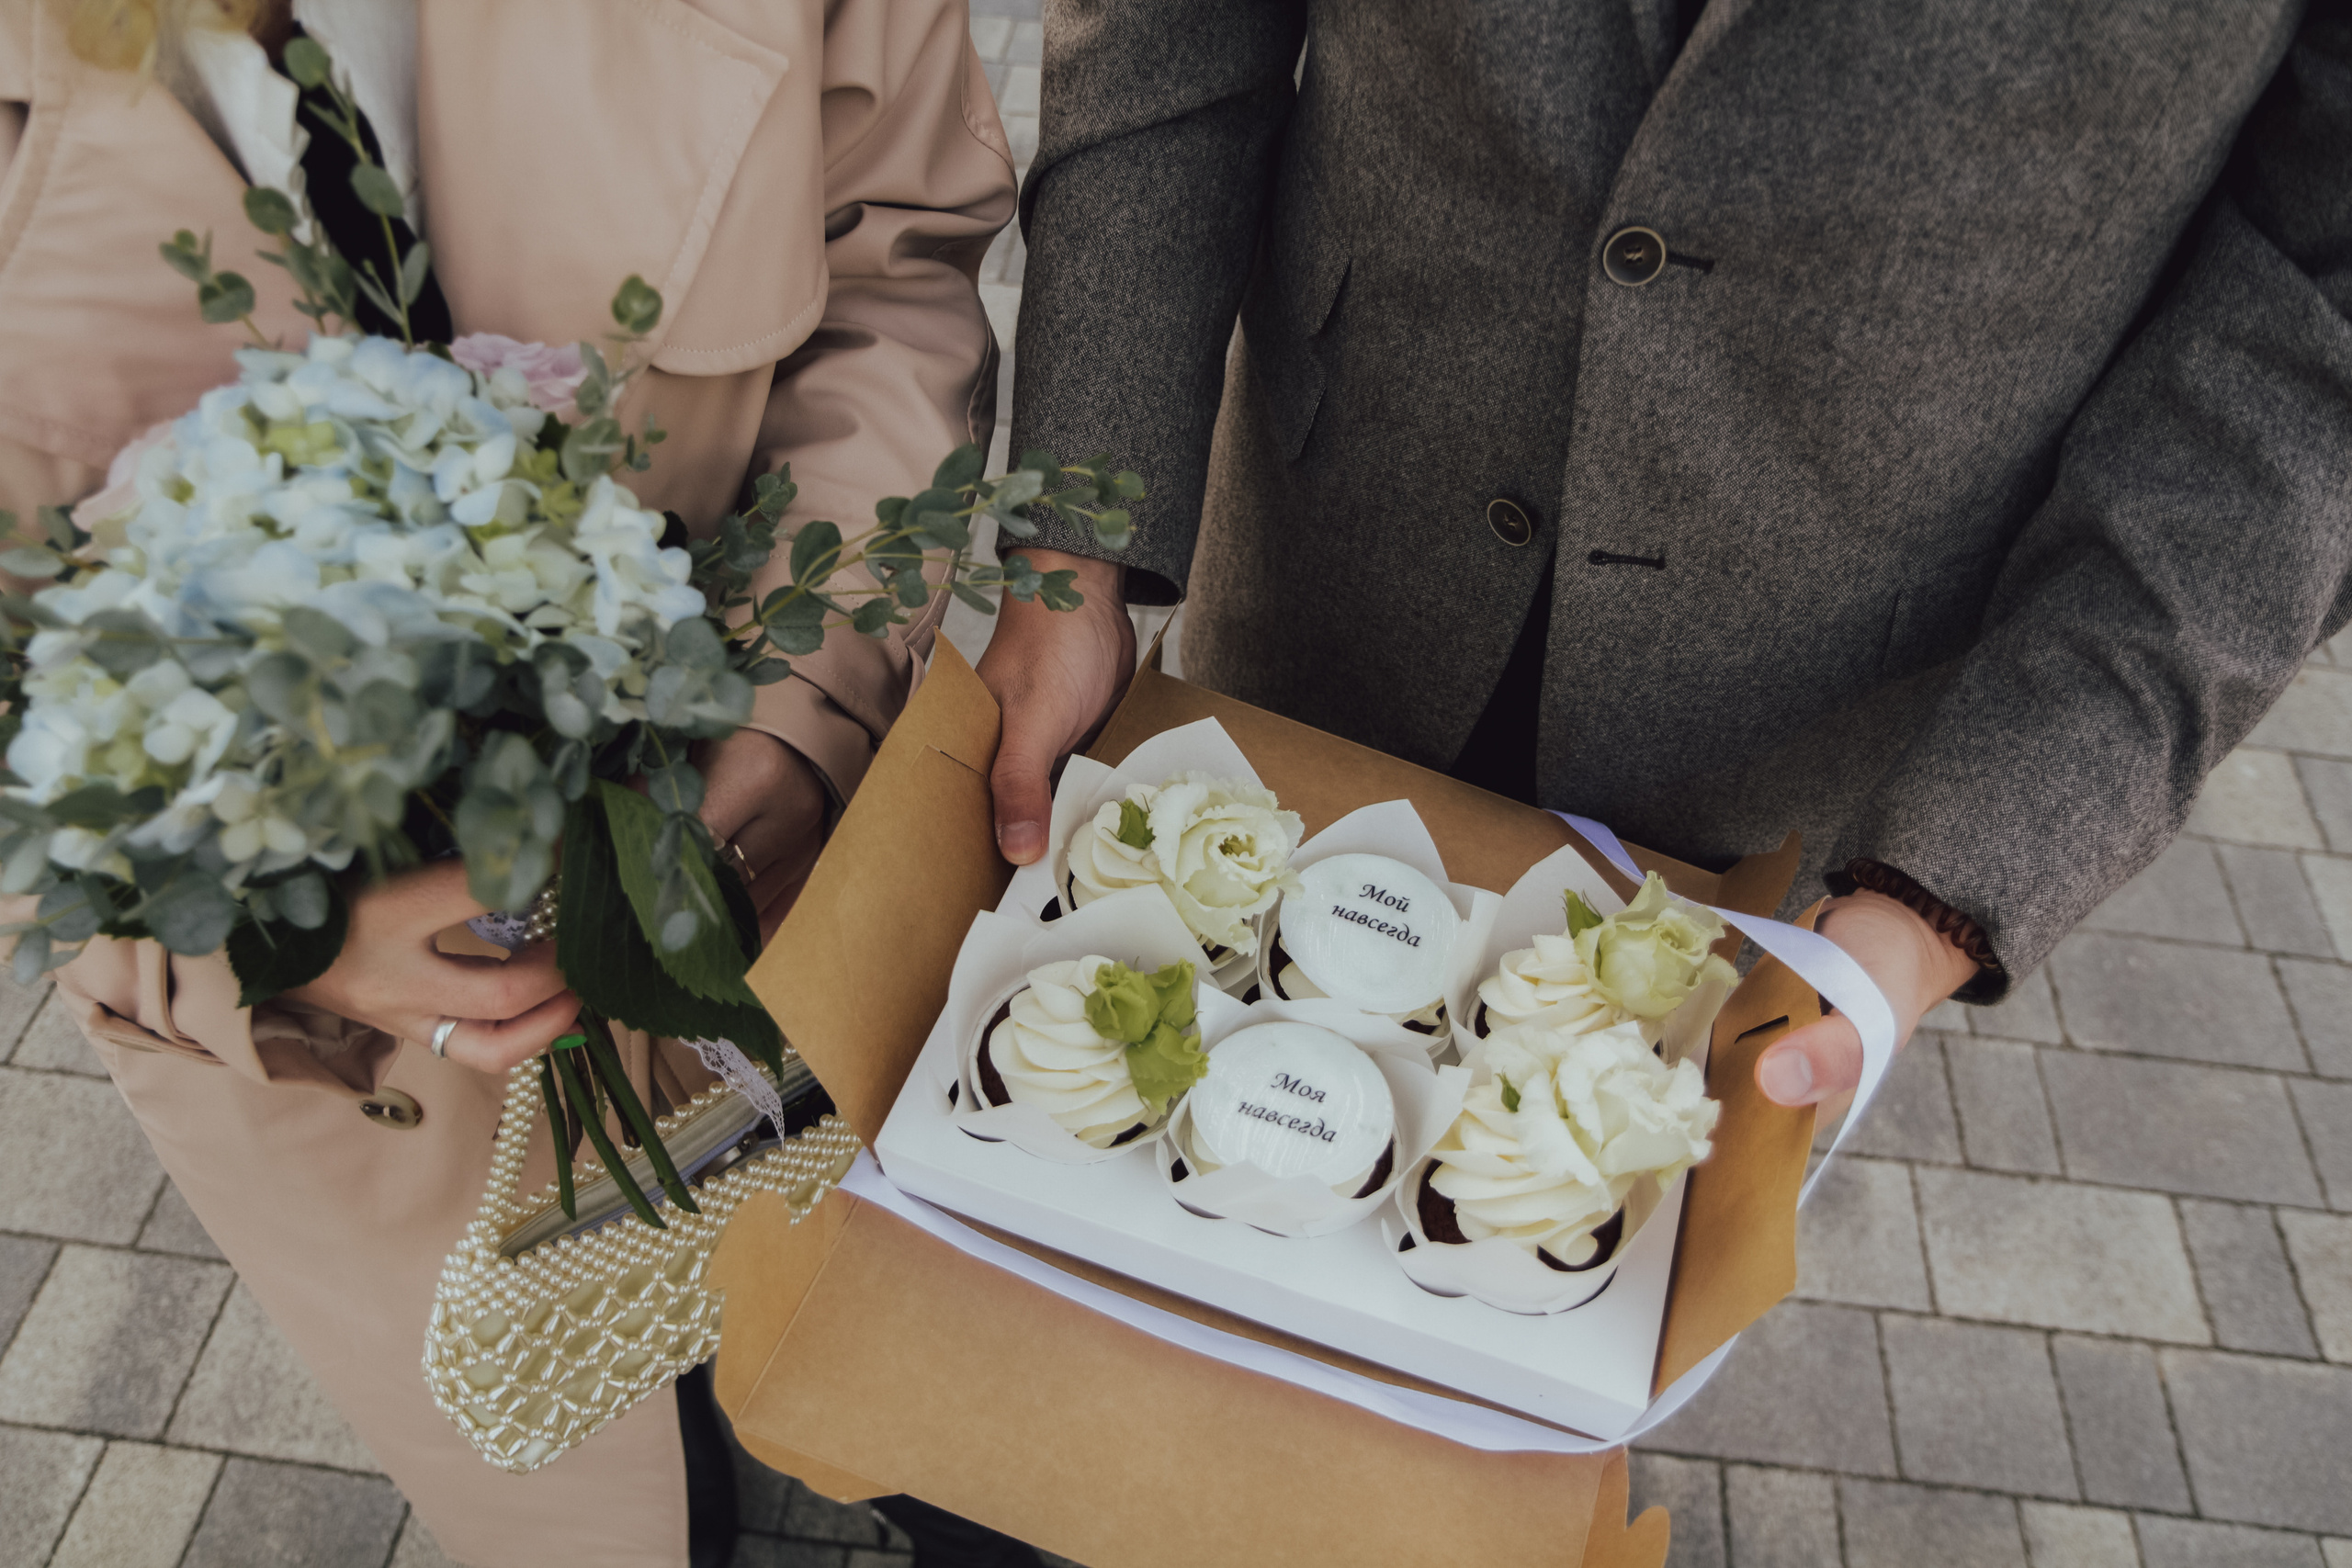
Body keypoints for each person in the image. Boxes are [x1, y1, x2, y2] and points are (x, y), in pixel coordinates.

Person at [0, 0, 1019, 1562]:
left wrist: (804, 705)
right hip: (333, 1091)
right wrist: (252, 934)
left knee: (934, 1400)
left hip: (773, 886)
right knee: (586, 1480)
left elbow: (890, 265)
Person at [978, 0, 2352, 1109]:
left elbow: (2308, 337)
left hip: (1805, 720)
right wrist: (1073, 551)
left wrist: (1949, 889)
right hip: (1321, 556)